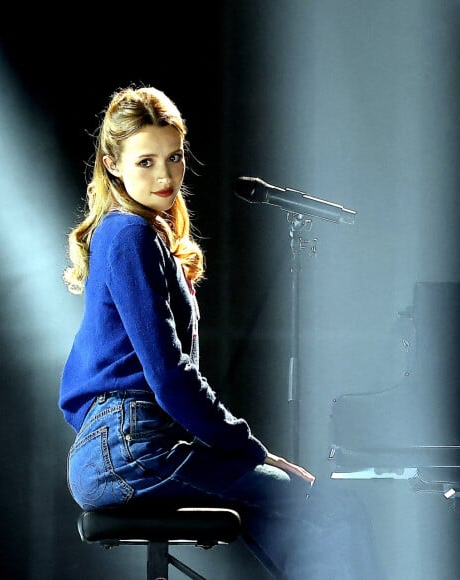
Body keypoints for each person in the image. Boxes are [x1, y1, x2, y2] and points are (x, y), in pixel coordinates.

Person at [59, 85, 384, 579]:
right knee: (338, 512)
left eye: (174, 157)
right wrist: (247, 447)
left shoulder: (137, 234)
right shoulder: (129, 234)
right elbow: (170, 376)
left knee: (285, 519)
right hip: (130, 450)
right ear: (111, 163)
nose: (165, 175)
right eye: (145, 162)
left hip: (124, 448)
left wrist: (252, 456)